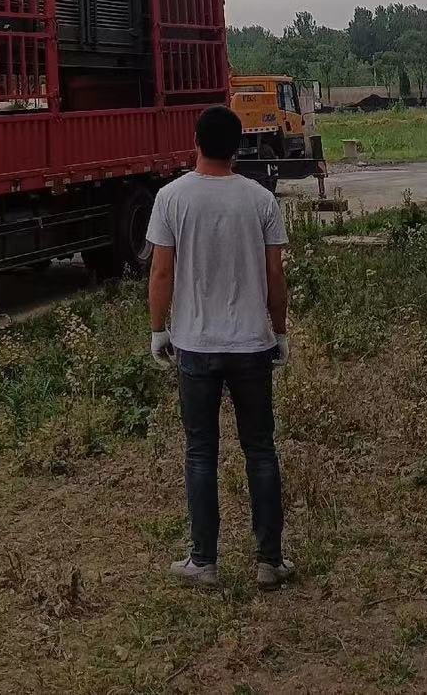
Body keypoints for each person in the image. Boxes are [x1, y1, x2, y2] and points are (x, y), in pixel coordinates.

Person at [147, 104, 293, 591]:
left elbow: (161, 271)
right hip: (252, 344)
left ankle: (203, 562)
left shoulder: (171, 198)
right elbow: (276, 275)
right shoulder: (260, 200)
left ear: (196, 141)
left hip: (195, 345)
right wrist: (280, 331)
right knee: (260, 450)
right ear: (239, 146)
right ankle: (269, 561)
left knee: (201, 453)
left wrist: (158, 330)